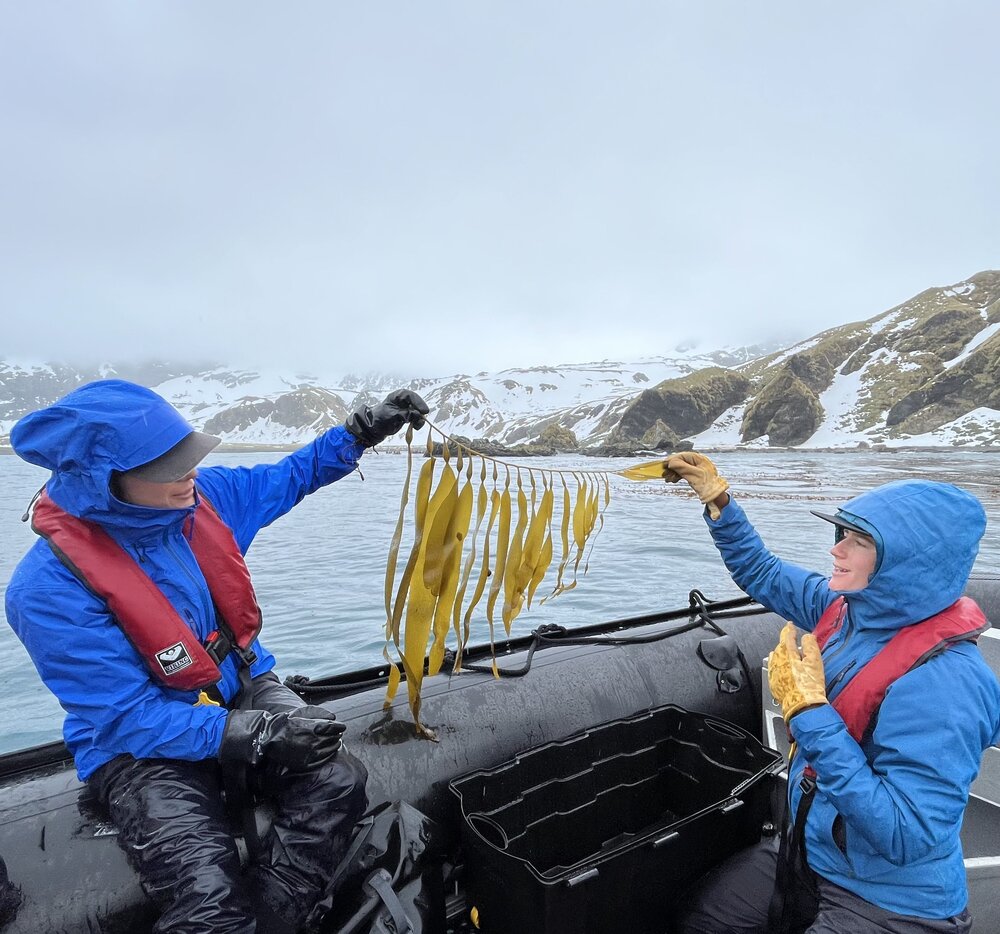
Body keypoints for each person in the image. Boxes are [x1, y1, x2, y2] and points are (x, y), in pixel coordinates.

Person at [4, 378, 429, 934]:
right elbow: (127, 717)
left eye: (186, 457)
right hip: (140, 749)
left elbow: (290, 477)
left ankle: (275, 920)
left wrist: (362, 429)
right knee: (206, 897)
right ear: (105, 481)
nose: (187, 474)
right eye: (166, 467)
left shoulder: (206, 499)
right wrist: (254, 736)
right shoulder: (46, 589)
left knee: (337, 781)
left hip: (239, 687)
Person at [665, 452, 1000, 934]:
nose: (836, 551)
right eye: (842, 534)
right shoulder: (848, 608)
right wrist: (720, 502)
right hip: (812, 852)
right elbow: (764, 573)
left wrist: (808, 711)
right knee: (702, 919)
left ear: (907, 563)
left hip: (889, 900)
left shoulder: (947, 683)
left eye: (859, 541)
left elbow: (906, 836)